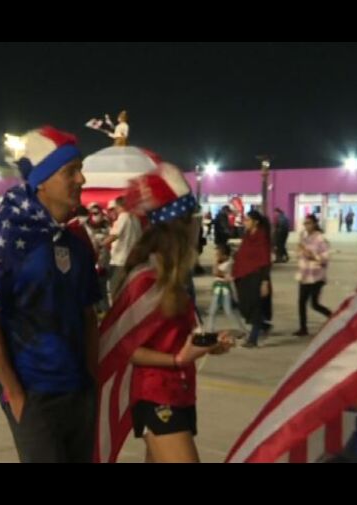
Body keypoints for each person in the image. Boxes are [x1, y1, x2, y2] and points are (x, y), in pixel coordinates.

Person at [0, 126, 101, 462]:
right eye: (70, 171)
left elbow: (89, 314)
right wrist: (14, 393)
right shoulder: (10, 243)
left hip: (78, 392)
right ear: (42, 181)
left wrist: (91, 378)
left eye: (81, 169)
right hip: (34, 395)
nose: (82, 180)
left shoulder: (78, 245)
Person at [97, 159, 234, 463]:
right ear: (181, 227)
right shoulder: (147, 281)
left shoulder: (172, 278)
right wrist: (178, 359)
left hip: (180, 391)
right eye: (194, 219)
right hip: (156, 394)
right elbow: (126, 348)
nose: (200, 227)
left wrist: (208, 344)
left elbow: (174, 337)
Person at [233, 210, 273, 348]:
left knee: (255, 308)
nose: (245, 222)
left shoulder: (262, 237)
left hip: (257, 276)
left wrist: (264, 281)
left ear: (255, 222)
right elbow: (243, 255)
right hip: (243, 276)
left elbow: (265, 260)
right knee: (244, 307)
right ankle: (264, 326)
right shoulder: (247, 236)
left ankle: (253, 339)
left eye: (248, 220)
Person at [293, 214, 332, 337]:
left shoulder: (320, 238)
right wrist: (300, 251)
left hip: (316, 276)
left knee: (314, 304)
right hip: (304, 275)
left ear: (315, 224)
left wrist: (313, 256)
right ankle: (303, 328)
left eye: (309, 223)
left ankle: (332, 316)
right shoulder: (304, 237)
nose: (306, 225)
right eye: (305, 223)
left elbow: (326, 258)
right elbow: (300, 255)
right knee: (301, 303)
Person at [206, 243, 247, 335]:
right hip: (217, 289)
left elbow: (217, 272)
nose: (216, 256)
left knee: (228, 311)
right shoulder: (222, 263)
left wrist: (216, 264)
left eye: (218, 255)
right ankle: (209, 330)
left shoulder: (230, 264)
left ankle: (241, 329)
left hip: (225, 290)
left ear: (225, 256)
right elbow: (215, 272)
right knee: (213, 310)